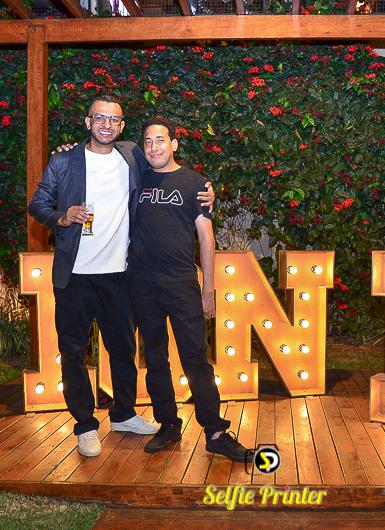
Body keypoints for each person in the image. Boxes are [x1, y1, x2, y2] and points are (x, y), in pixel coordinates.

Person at [28, 96, 214, 458]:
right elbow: (38, 203)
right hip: (75, 276)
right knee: (73, 353)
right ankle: (85, 425)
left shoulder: (132, 156)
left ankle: (124, 414)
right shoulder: (64, 160)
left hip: (119, 276)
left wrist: (207, 190)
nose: (106, 125)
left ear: (122, 126)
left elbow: (170, 171)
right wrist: (61, 217)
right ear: (87, 122)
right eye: (99, 118)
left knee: (124, 350)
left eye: (114, 119)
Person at [127, 116, 252, 462]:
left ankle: (215, 432)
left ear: (174, 144)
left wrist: (208, 289)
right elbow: (103, 153)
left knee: (196, 359)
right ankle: (168, 424)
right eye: (148, 141)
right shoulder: (136, 178)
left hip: (182, 283)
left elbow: (206, 238)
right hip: (142, 284)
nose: (153, 147)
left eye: (160, 140)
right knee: (155, 358)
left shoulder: (195, 183)